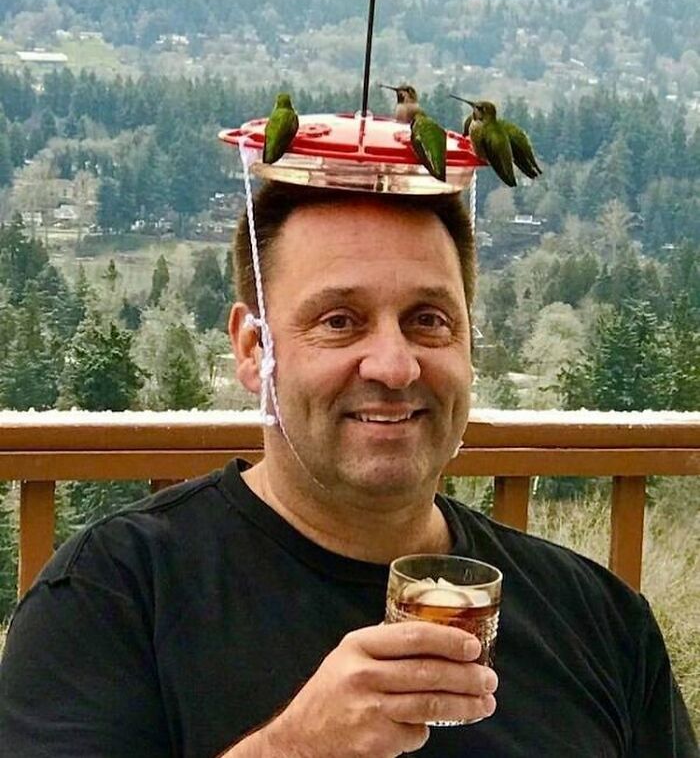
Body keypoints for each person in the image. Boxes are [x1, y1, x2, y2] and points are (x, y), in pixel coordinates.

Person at [0, 180, 696, 758]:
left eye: (428, 319)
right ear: (252, 349)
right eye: (339, 320)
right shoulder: (111, 598)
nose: (394, 365)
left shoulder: (601, 621)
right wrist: (294, 749)